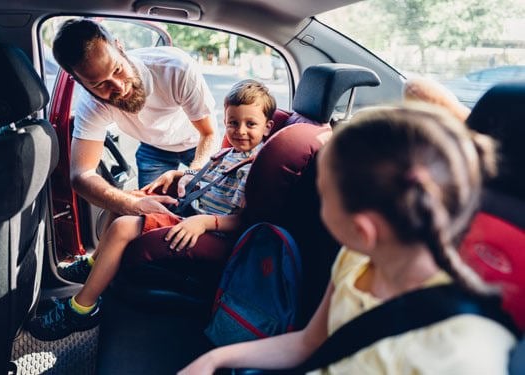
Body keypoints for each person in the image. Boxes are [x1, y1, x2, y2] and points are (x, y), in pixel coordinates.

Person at [178, 105, 517, 374]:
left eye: (321, 196)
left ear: (362, 229)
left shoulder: (461, 356)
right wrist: (216, 359)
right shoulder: (356, 260)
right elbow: (308, 343)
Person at [28, 79, 276, 341]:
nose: (240, 130)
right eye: (232, 123)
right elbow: (208, 181)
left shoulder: (256, 166)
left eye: (251, 124)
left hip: (212, 231)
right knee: (128, 199)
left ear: (268, 127)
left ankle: (81, 309)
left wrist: (205, 223)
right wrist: (179, 174)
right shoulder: (229, 153)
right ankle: (93, 263)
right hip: (192, 210)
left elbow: (247, 220)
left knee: (124, 226)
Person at [52, 18, 219, 217]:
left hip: (197, 143)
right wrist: (130, 204)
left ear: (119, 46)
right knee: (150, 214)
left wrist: (194, 173)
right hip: (154, 149)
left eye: (117, 69)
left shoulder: (176, 69)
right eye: (99, 85)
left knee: (212, 206)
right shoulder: (91, 104)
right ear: (79, 82)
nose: (119, 87)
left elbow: (208, 133)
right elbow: (81, 175)